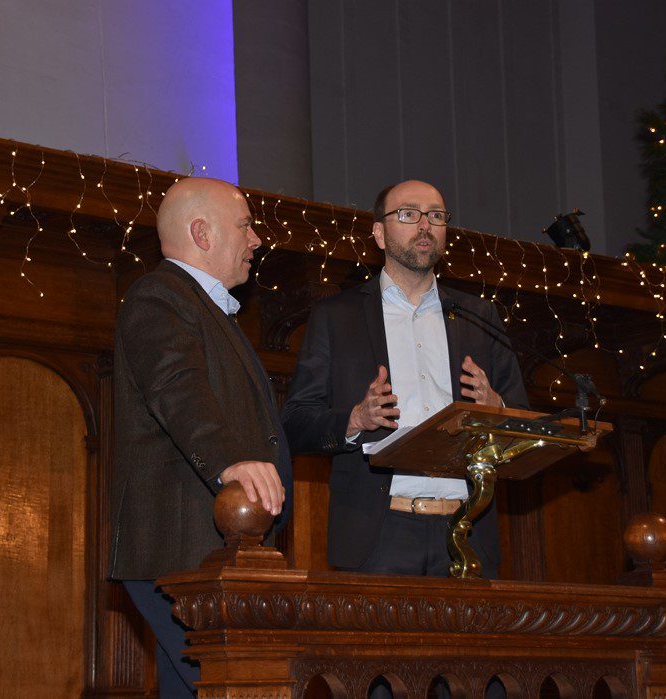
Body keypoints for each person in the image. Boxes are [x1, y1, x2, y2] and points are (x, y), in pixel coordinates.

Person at [281, 179, 528, 579]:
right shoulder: (337, 317)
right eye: (409, 214)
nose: (425, 225)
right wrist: (354, 420)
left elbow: (524, 422)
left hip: (468, 529)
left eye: (436, 216)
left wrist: (496, 409)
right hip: (378, 535)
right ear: (379, 233)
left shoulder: (477, 317)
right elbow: (296, 422)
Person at [109, 177, 292, 698]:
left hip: (208, 549)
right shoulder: (159, 296)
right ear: (202, 233)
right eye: (245, 226)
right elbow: (176, 386)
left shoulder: (208, 308)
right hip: (179, 547)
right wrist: (232, 462)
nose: (257, 239)